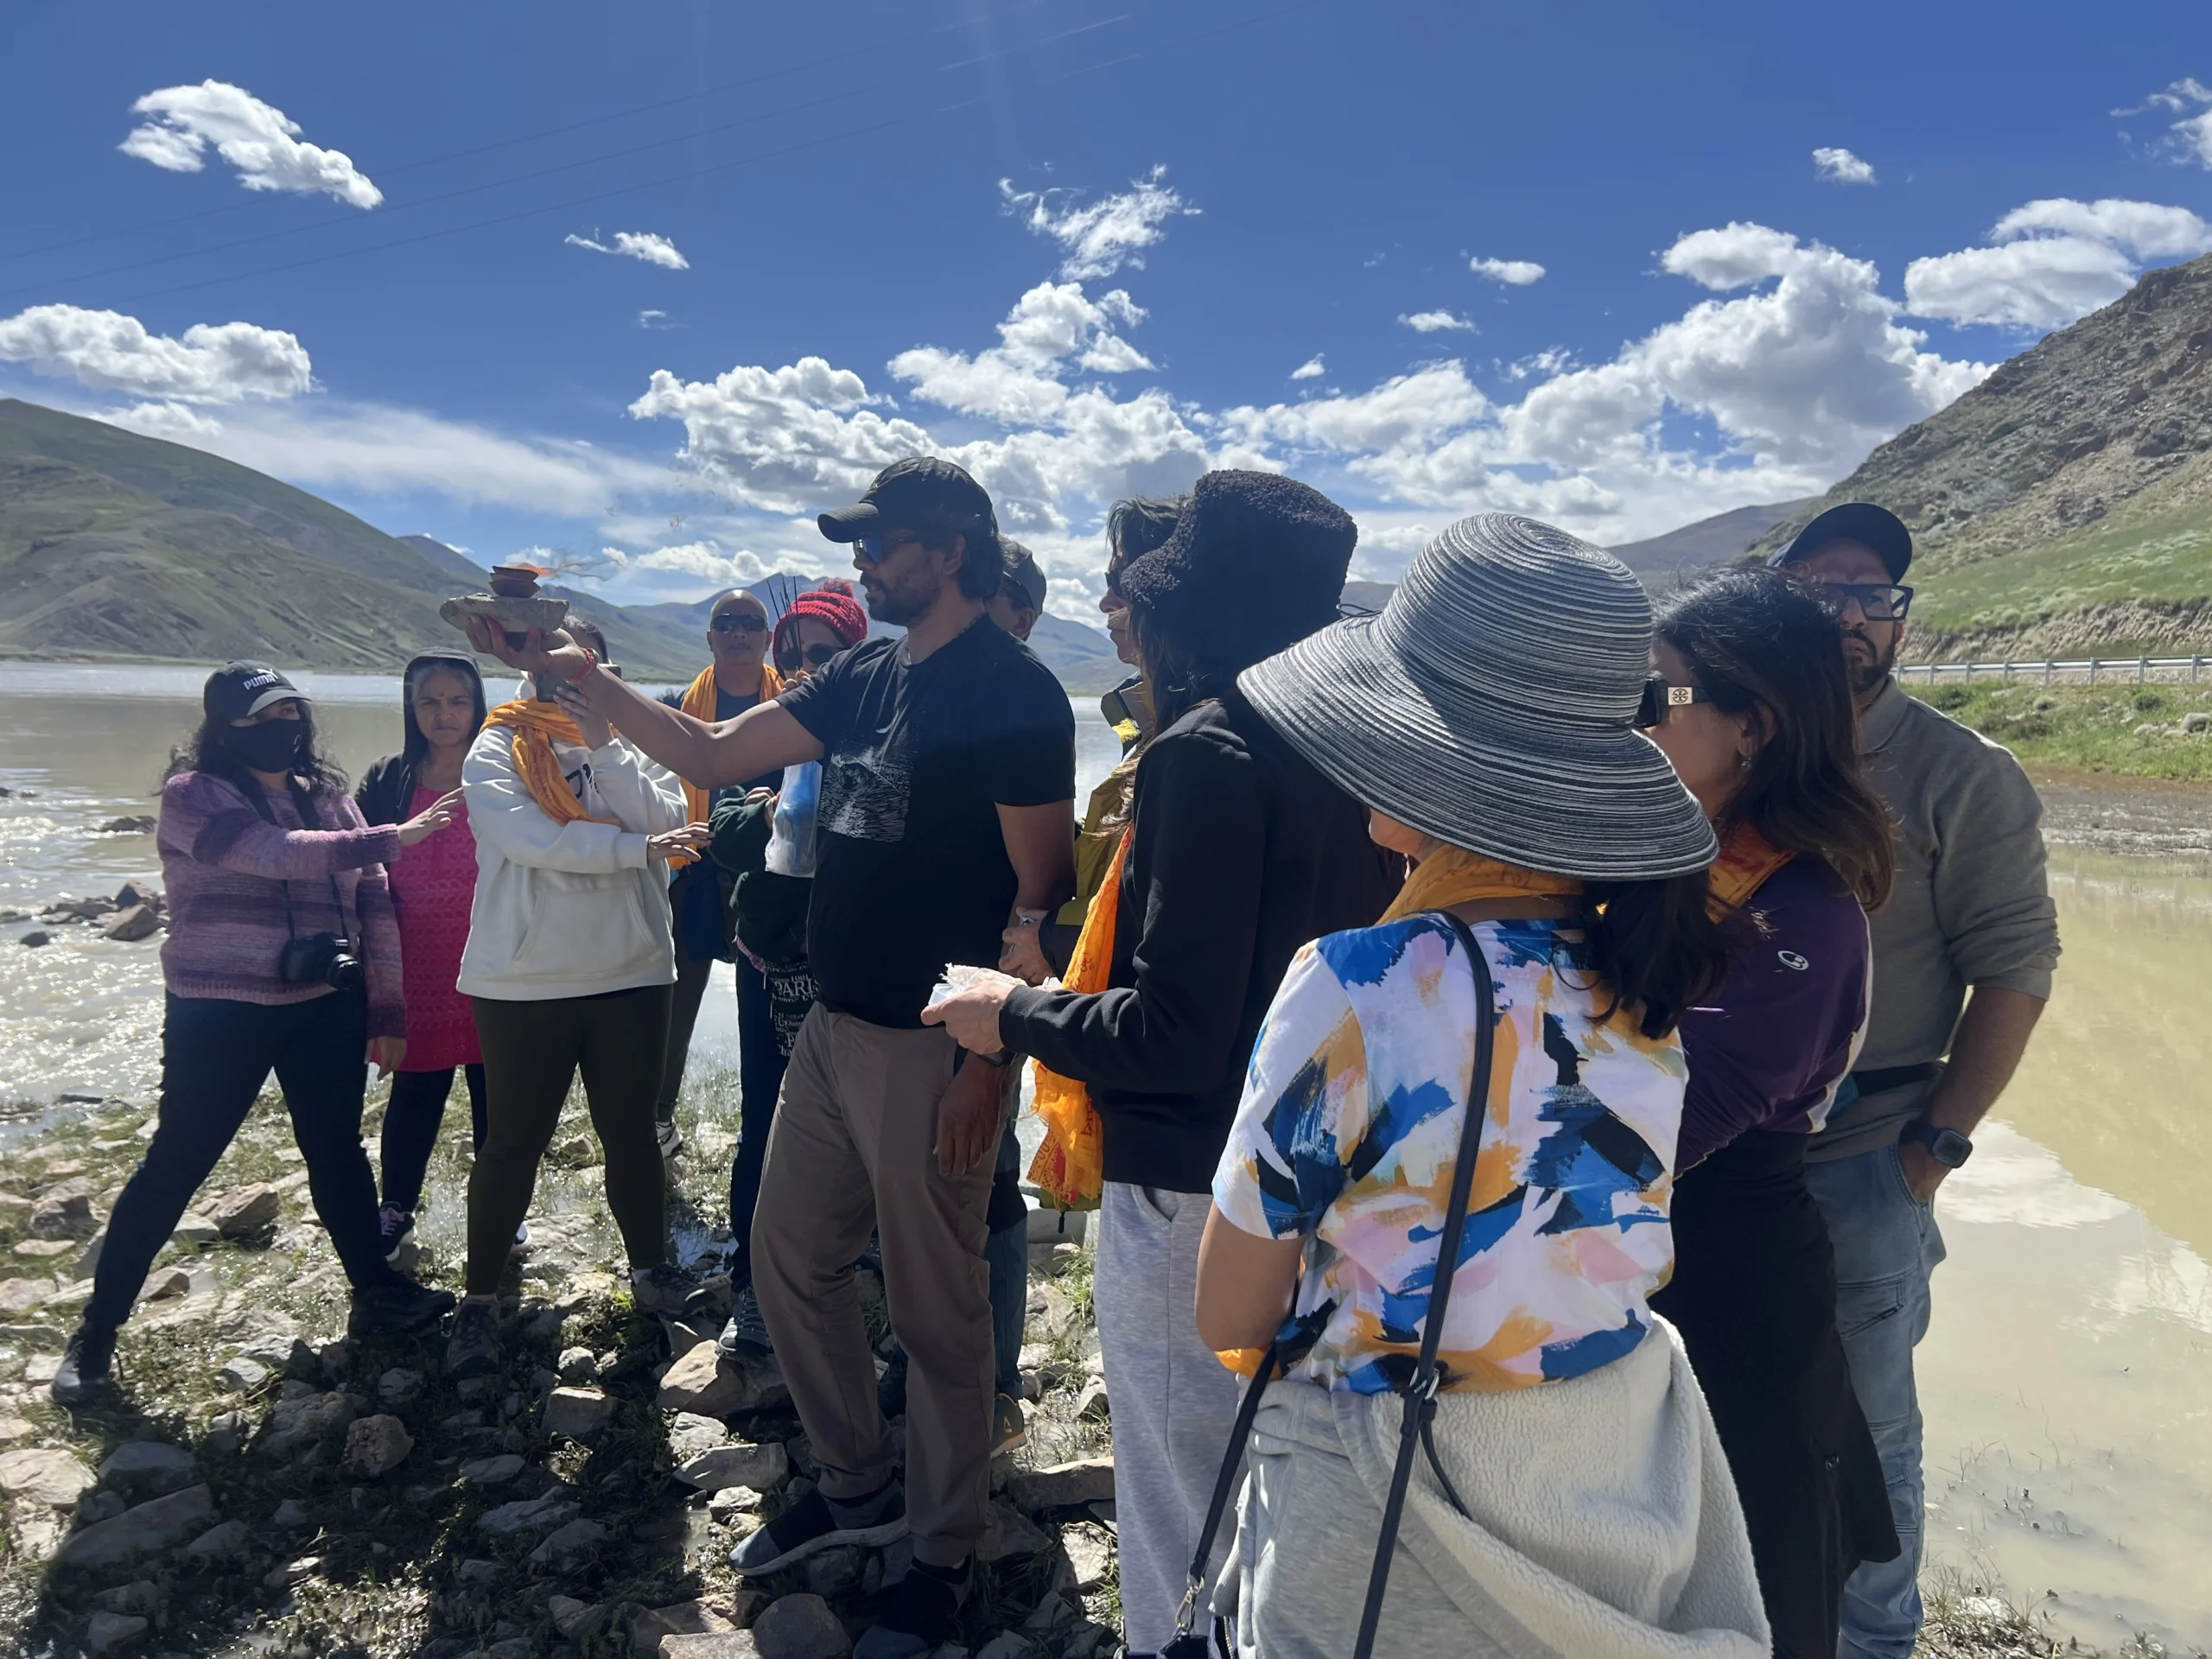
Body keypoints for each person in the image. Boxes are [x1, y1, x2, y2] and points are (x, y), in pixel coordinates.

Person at [462, 455, 1077, 1659]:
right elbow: (711, 755)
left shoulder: (1015, 694)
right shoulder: (868, 671)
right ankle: (855, 1482)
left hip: (933, 1039)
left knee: (941, 1312)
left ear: (947, 549)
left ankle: (943, 1551)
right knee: (790, 1259)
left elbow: (1038, 903)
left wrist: (989, 1065)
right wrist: (586, 679)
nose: (861, 563)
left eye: (880, 543)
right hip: (834, 1032)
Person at [1191, 514, 1770, 1659]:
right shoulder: (1638, 984)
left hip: (1379, 1507)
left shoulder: (1357, 984)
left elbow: (1228, 1310)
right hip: (1609, 1474)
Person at [928, 470, 1401, 1656]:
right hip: (1331, 1177)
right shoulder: (1363, 750)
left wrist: (1014, 1012)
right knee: (1273, 1489)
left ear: (1198, 615)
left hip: (1198, 1186)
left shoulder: (1210, 750)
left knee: (1180, 1509)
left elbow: (1176, 1032)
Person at [1767, 503, 2061, 1659]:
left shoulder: (1960, 774)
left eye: (1873, 597)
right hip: (1703, 1159)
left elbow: (2016, 971)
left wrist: (1933, 1150)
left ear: (1899, 624)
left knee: (1869, 1432)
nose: (1847, 616)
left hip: (1864, 1155)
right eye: (1818, 594)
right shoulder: (1729, 745)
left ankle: (1874, 1643)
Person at [53, 664, 461, 1405]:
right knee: (178, 1160)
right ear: (223, 728)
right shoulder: (193, 797)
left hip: (322, 1005)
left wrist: (389, 1008)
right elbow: (271, 852)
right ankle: (97, 1333)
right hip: (222, 1007)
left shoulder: (328, 799)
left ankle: (376, 1289)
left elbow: (372, 898)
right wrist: (391, 835)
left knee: (336, 1150)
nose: (280, 727)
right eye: (258, 718)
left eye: (288, 712)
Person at [1637, 568, 1903, 1656]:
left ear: (1752, 725)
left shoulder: (1803, 907)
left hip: (1727, 1275)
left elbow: (1673, 1124)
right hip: (1642, 1250)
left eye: (1662, 696)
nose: (1641, 722)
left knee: (1741, 1579)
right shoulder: (1667, 855)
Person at [442, 650, 717, 1377]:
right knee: (512, 1142)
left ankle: (651, 1270)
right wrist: (632, 849)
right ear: (528, 671)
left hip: (632, 970)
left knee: (631, 1133)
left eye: (584, 669)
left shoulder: (633, 743)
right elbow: (526, 841)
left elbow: (673, 820)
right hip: (525, 977)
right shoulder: (498, 743)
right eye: (554, 669)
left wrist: (605, 745)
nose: (568, 683)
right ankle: (478, 1300)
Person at [706, 576, 870, 1359]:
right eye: (795, 656)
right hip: (771, 968)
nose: (807, 669)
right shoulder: (766, 732)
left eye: (824, 654)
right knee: (764, 1119)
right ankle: (753, 1283)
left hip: (862, 974)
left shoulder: (886, 736)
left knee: (862, 1124)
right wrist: (774, 812)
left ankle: (851, 1255)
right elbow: (723, 823)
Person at [356, 652, 491, 1257]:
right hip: (413, 969)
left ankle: (500, 1206)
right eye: (429, 702)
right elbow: (353, 859)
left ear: (477, 705)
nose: (444, 714)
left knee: (498, 1094)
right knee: (414, 1093)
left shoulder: (501, 772)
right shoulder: (389, 778)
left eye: (457, 701)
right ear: (411, 709)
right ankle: (395, 1207)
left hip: (493, 962)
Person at [657, 588, 783, 1164]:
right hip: (694, 871)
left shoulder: (793, 706)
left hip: (769, 878)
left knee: (769, 1004)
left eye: (749, 623)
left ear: (767, 638)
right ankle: (659, 1118)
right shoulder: (676, 707)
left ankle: (771, 1127)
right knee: (678, 1001)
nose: (738, 632)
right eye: (726, 623)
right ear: (710, 638)